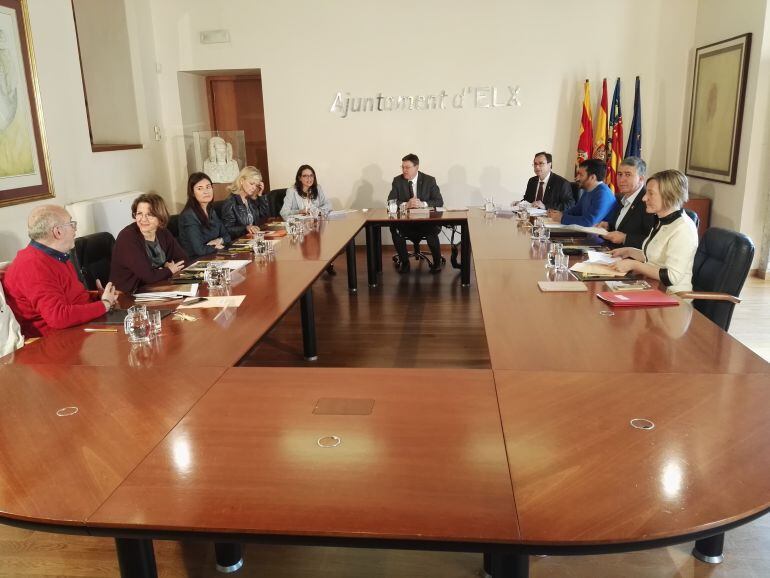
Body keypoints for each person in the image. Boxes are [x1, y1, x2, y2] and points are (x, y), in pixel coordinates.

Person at [2, 205, 118, 337]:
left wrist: (97, 298)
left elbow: (70, 298)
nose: (75, 228)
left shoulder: (57, 255)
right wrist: (104, 305)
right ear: (58, 232)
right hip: (53, 341)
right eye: (71, 224)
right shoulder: (33, 265)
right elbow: (58, 317)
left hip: (76, 330)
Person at [610, 169, 698, 294]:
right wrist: (629, 251)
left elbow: (670, 277)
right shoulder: (661, 220)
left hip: (672, 298)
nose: (644, 198)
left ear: (669, 195)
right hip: (651, 287)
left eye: (650, 193)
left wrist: (634, 265)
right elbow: (655, 257)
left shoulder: (683, 229)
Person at [110, 193, 188, 293]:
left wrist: (164, 269)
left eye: (149, 214)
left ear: (160, 217)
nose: (143, 219)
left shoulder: (162, 232)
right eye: (139, 213)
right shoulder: (127, 237)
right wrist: (169, 270)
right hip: (128, 295)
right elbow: (149, 276)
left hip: (155, 287)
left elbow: (183, 259)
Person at [387, 153, 444, 273]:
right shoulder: (397, 181)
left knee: (431, 229)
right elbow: (390, 202)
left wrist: (422, 204)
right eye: (402, 167)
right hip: (406, 223)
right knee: (395, 229)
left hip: (426, 222)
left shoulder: (429, 180)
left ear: (416, 167)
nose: (404, 170)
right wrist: (405, 204)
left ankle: (437, 262)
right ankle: (405, 262)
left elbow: (439, 201)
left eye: (407, 167)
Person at [597, 157, 655, 248]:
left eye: (628, 175)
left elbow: (654, 241)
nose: (621, 179)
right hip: (612, 253)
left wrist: (625, 238)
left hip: (633, 259)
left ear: (641, 179)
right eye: (620, 174)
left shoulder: (648, 202)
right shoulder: (621, 198)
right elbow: (623, 227)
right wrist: (608, 226)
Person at [547, 158, 616, 227]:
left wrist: (562, 218)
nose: (577, 178)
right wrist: (560, 214)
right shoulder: (588, 190)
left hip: (600, 236)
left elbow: (589, 221)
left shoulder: (603, 194)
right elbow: (576, 211)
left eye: (581, 175)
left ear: (592, 177)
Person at [179, 172, 231, 259]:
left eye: (208, 187)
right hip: (195, 261)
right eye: (200, 188)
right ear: (192, 193)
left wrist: (219, 240)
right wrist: (214, 247)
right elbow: (199, 250)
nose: (206, 192)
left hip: (213, 256)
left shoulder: (211, 210)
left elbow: (227, 236)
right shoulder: (188, 216)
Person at [220, 166, 269, 239]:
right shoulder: (230, 203)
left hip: (252, 239)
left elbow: (264, 217)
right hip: (238, 243)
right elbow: (227, 230)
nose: (254, 188)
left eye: (256, 185)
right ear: (242, 181)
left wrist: (260, 195)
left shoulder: (250, 199)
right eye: (251, 183)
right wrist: (245, 228)